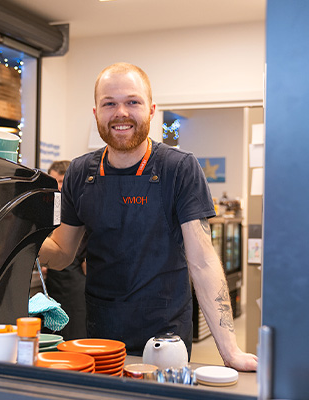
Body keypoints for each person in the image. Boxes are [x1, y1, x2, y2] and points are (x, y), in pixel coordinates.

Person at [39, 62, 258, 371]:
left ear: (151, 109)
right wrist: (19, 235)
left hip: (165, 335)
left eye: (132, 102)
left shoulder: (178, 168)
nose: (121, 113)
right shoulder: (78, 172)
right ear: (96, 113)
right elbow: (61, 254)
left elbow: (203, 261)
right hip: (101, 334)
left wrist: (230, 351)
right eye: (109, 104)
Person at [43, 160, 87, 340]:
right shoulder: (47, 206)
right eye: (53, 181)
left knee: (73, 334)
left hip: (74, 282)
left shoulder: (79, 206)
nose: (57, 187)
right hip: (52, 282)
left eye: (61, 181)